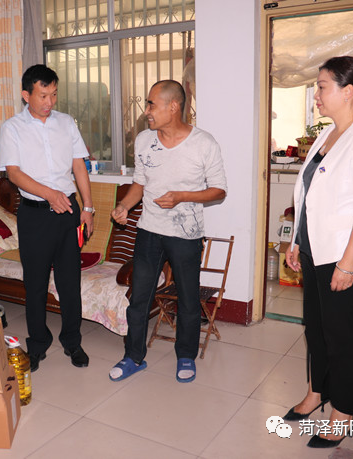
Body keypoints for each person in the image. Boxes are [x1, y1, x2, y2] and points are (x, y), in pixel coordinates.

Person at [282, 56, 353, 449]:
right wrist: (296, 241)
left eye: (322, 86)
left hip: (346, 256)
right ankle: (317, 392)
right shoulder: (329, 133)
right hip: (315, 249)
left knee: (341, 335)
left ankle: (345, 411)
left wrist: (347, 265)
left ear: (348, 92)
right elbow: (308, 194)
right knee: (315, 328)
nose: (316, 94)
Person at [108, 80, 227, 384]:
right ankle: (133, 357)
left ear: (173, 106)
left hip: (186, 234)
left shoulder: (204, 143)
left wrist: (182, 196)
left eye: (151, 104)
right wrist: (124, 205)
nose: (146, 110)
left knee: (187, 298)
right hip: (149, 230)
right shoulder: (144, 140)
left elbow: (218, 191)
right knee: (139, 298)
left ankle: (185, 355)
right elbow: (140, 183)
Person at [0, 64, 94, 372]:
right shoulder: (12, 128)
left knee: (69, 281)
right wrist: (50, 194)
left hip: (68, 214)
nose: (49, 102)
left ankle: (72, 341)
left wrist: (88, 208)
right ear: (26, 95)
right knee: (36, 284)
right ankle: (37, 344)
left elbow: (79, 166)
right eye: (43, 95)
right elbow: (14, 174)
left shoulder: (66, 123)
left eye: (53, 94)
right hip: (35, 215)